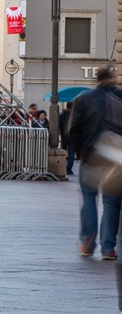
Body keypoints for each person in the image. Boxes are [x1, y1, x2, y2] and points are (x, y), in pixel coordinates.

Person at [70, 67, 122, 260]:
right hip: (116, 158)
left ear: (97, 79)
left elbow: (74, 129)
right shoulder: (120, 97)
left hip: (91, 156)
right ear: (113, 78)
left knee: (89, 199)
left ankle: (88, 242)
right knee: (112, 204)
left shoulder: (83, 99)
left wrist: (81, 151)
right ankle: (108, 248)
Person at [60, 102, 75, 174]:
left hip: (64, 137)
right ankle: (69, 169)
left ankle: (62, 167)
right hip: (72, 137)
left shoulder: (62, 115)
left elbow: (59, 126)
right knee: (71, 154)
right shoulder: (75, 116)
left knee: (63, 153)